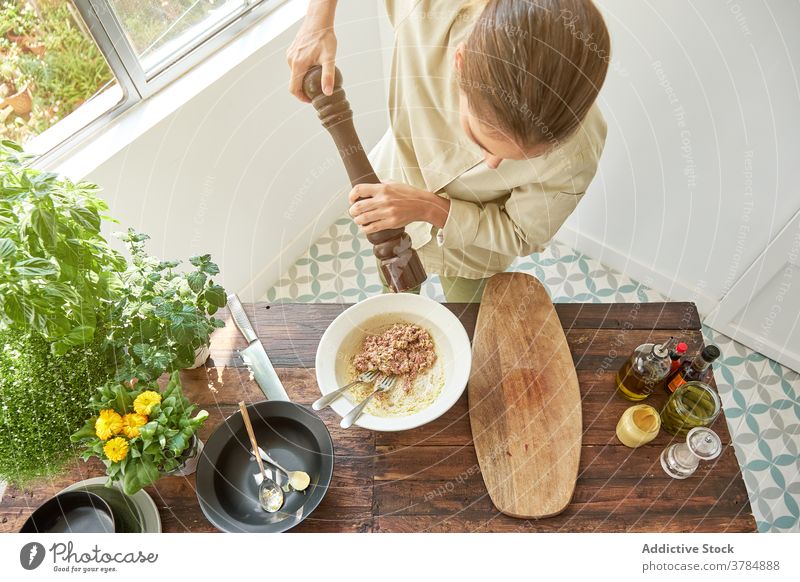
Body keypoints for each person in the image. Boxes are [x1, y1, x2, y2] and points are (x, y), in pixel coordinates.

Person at [287, 0, 609, 302]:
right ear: (460, 60)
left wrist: (432, 209)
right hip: (391, 183)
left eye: (517, 160)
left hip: (474, 250)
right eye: (480, 140)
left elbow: (522, 233)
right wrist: (318, 21)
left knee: (470, 318)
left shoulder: (576, 150)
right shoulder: (430, 11)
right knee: (396, 302)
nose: (492, 165)